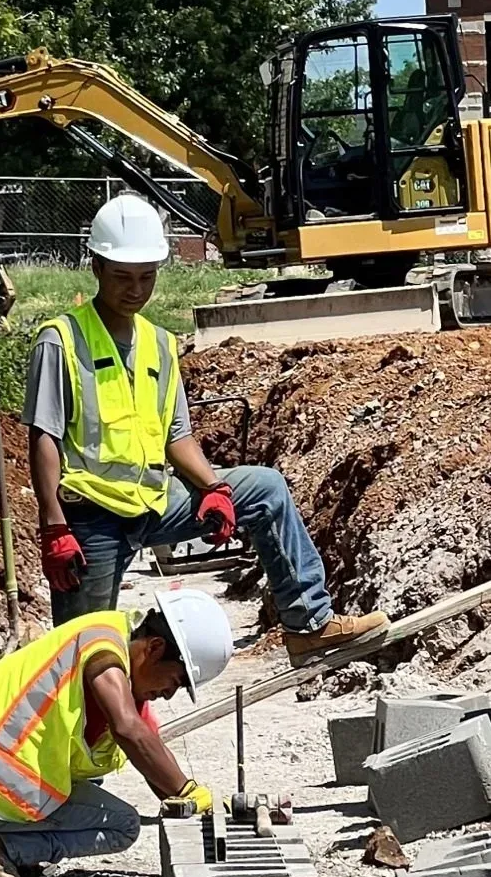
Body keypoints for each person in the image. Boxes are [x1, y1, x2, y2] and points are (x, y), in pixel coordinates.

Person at [25, 193, 389, 664]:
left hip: (153, 500)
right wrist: (53, 525)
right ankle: (80, 731)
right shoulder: (61, 340)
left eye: (146, 277)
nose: (135, 290)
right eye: (123, 277)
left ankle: (308, 625)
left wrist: (213, 486)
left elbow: (177, 436)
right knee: (84, 657)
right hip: (90, 517)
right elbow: (44, 438)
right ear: (96, 267)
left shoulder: (159, 343)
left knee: (265, 488)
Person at [0, 589, 234, 877]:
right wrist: (185, 790)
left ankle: (14, 855)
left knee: (96, 793)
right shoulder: (104, 648)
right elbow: (129, 731)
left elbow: (148, 751)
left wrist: (192, 804)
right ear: (154, 648)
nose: (169, 694)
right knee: (122, 825)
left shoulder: (120, 665)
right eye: (177, 680)